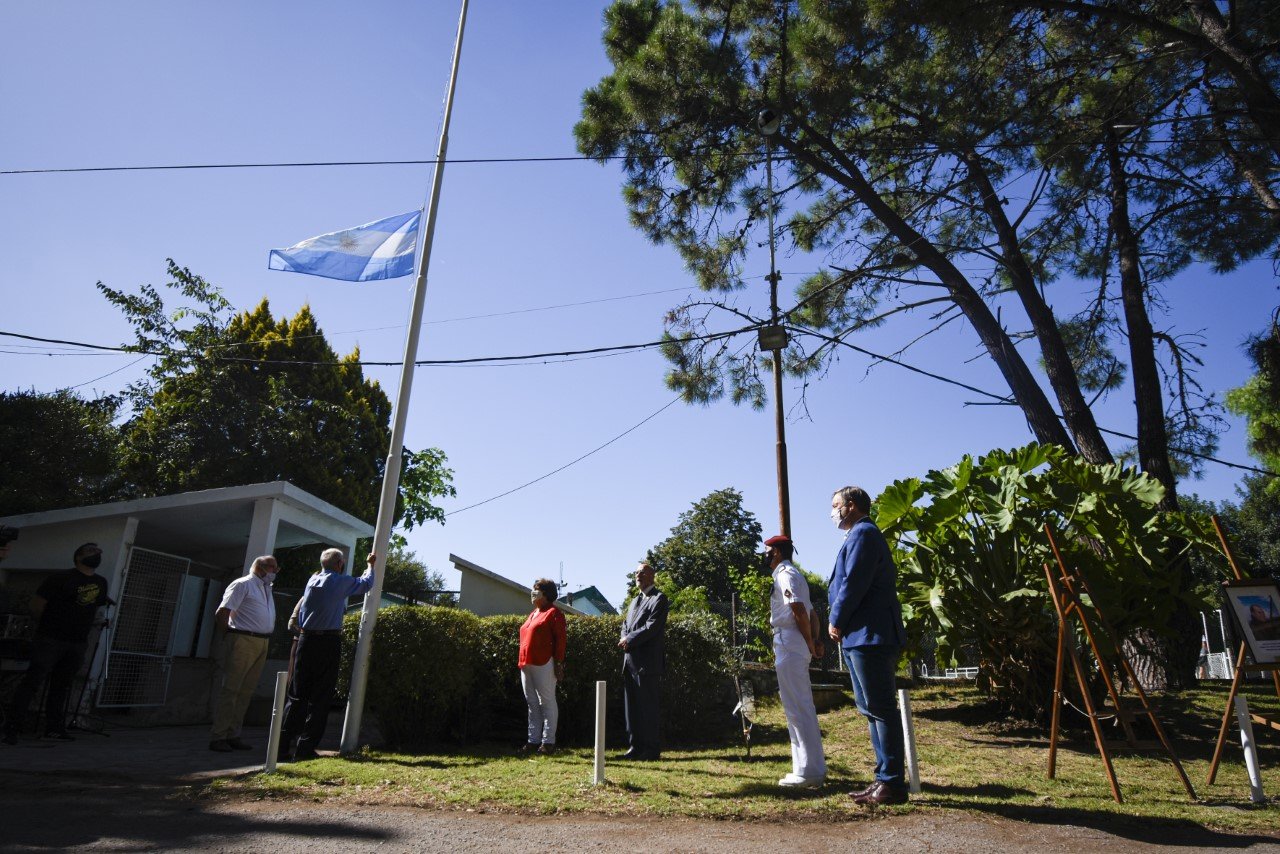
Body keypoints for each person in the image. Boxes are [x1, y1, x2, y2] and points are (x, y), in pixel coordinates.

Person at [827, 486, 909, 806]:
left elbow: (854, 583)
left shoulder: (863, 534)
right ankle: (883, 781)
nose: (833, 512)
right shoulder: (860, 535)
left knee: (880, 709)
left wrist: (836, 618)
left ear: (852, 506)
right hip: (859, 635)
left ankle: (891, 783)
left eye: (836, 506)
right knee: (872, 709)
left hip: (869, 634)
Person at [4, 542, 110, 745]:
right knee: (32, 682)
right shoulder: (60, 578)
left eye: (98, 551)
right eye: (91, 551)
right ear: (78, 557)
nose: (96, 554)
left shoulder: (101, 582)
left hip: (77, 642)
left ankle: (54, 728)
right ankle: (12, 728)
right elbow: (36, 606)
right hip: (51, 639)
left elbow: (94, 608)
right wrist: (48, 627)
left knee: (62, 685)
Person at [279, 548, 375, 761]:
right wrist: (371, 564)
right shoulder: (337, 581)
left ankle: (281, 747)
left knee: (296, 696)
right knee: (320, 697)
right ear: (340, 564)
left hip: (305, 641)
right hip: (327, 642)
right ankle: (305, 749)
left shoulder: (312, 580)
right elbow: (366, 583)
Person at [765, 534, 827, 788]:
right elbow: (812, 613)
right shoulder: (796, 574)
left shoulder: (785, 574)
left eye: (767, 551)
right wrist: (814, 640)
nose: (765, 555)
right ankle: (806, 767)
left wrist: (811, 643)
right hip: (795, 642)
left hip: (789, 642)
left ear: (777, 552)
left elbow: (799, 610)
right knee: (801, 705)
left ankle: (808, 771)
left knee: (797, 707)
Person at [208, 555, 279, 752]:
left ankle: (233, 734)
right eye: (272, 568)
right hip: (242, 638)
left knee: (246, 691)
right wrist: (229, 637)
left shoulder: (265, 588)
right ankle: (218, 735)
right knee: (231, 689)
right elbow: (222, 612)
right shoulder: (242, 584)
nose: (275, 572)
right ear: (260, 568)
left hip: (261, 641)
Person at [618, 561, 668, 760]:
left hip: (647, 664)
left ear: (652, 576)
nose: (638, 575)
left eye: (642, 572)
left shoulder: (659, 599)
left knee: (648, 708)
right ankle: (635, 747)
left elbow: (652, 627)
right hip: (630, 662)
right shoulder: (634, 601)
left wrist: (629, 639)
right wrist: (624, 636)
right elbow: (625, 624)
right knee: (633, 709)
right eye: (636, 572)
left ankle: (651, 749)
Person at [518, 578, 567, 755]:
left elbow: (560, 640)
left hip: (544, 662)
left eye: (537, 590)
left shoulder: (554, 613)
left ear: (546, 594)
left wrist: (559, 662)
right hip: (526, 662)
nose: (533, 593)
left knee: (546, 701)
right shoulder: (533, 613)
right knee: (532, 703)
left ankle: (548, 742)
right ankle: (533, 740)